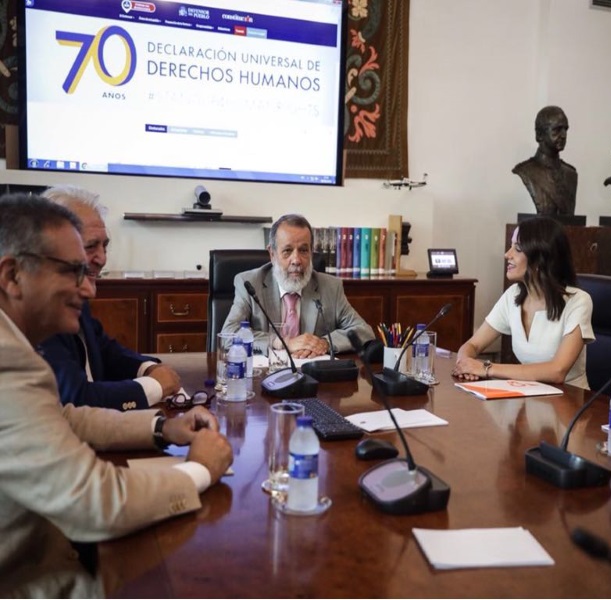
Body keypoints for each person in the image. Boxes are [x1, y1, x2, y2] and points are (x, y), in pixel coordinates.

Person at [0, 193, 233, 595]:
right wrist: (199, 470)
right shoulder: (8, 363)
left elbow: (65, 415)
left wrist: (163, 428)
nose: (88, 289)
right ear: (12, 276)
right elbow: (95, 501)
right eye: (72, 271)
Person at [38, 184, 182, 410]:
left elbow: (103, 349)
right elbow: (76, 399)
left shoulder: (74, 292)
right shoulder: (35, 310)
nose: (103, 258)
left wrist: (147, 368)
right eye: (90, 246)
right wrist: (154, 386)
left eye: (105, 246)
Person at [453, 217, 594, 388]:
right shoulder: (513, 296)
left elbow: (557, 371)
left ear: (540, 259)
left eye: (517, 249)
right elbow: (473, 344)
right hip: (528, 398)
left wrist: (486, 368)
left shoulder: (578, 301)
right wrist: (465, 363)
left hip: (569, 402)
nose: (507, 254)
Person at [222, 213, 374, 356]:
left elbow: (363, 331)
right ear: (272, 253)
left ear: (311, 252)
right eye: (287, 251)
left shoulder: (331, 287)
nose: (296, 260)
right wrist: (282, 343)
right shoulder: (249, 284)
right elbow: (229, 335)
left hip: (312, 376)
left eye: (303, 250)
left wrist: (324, 344)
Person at [512, 106, 578, 216]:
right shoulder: (526, 171)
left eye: (565, 129)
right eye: (557, 129)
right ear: (540, 135)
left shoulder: (571, 174)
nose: (563, 135)